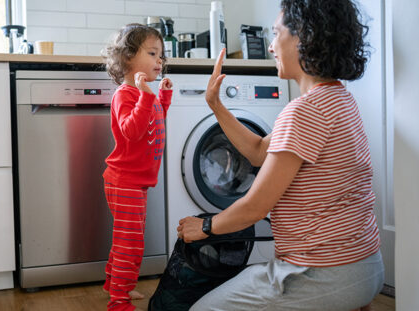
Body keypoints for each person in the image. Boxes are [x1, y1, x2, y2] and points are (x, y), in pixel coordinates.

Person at [176, 0, 384, 310]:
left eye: (276, 34)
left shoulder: (303, 111)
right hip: (365, 265)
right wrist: (216, 105)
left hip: (321, 273)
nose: (271, 46)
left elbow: (255, 207)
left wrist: (205, 226)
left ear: (306, 37)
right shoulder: (338, 99)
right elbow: (260, 152)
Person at [101, 23, 173, 311]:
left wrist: (162, 99)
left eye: (161, 56)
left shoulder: (145, 94)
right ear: (128, 57)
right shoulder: (126, 95)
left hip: (137, 181)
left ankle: (113, 283)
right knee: (129, 243)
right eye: (153, 53)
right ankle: (118, 299)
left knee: (127, 238)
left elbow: (153, 123)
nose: (160, 61)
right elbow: (131, 131)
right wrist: (146, 96)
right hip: (124, 181)